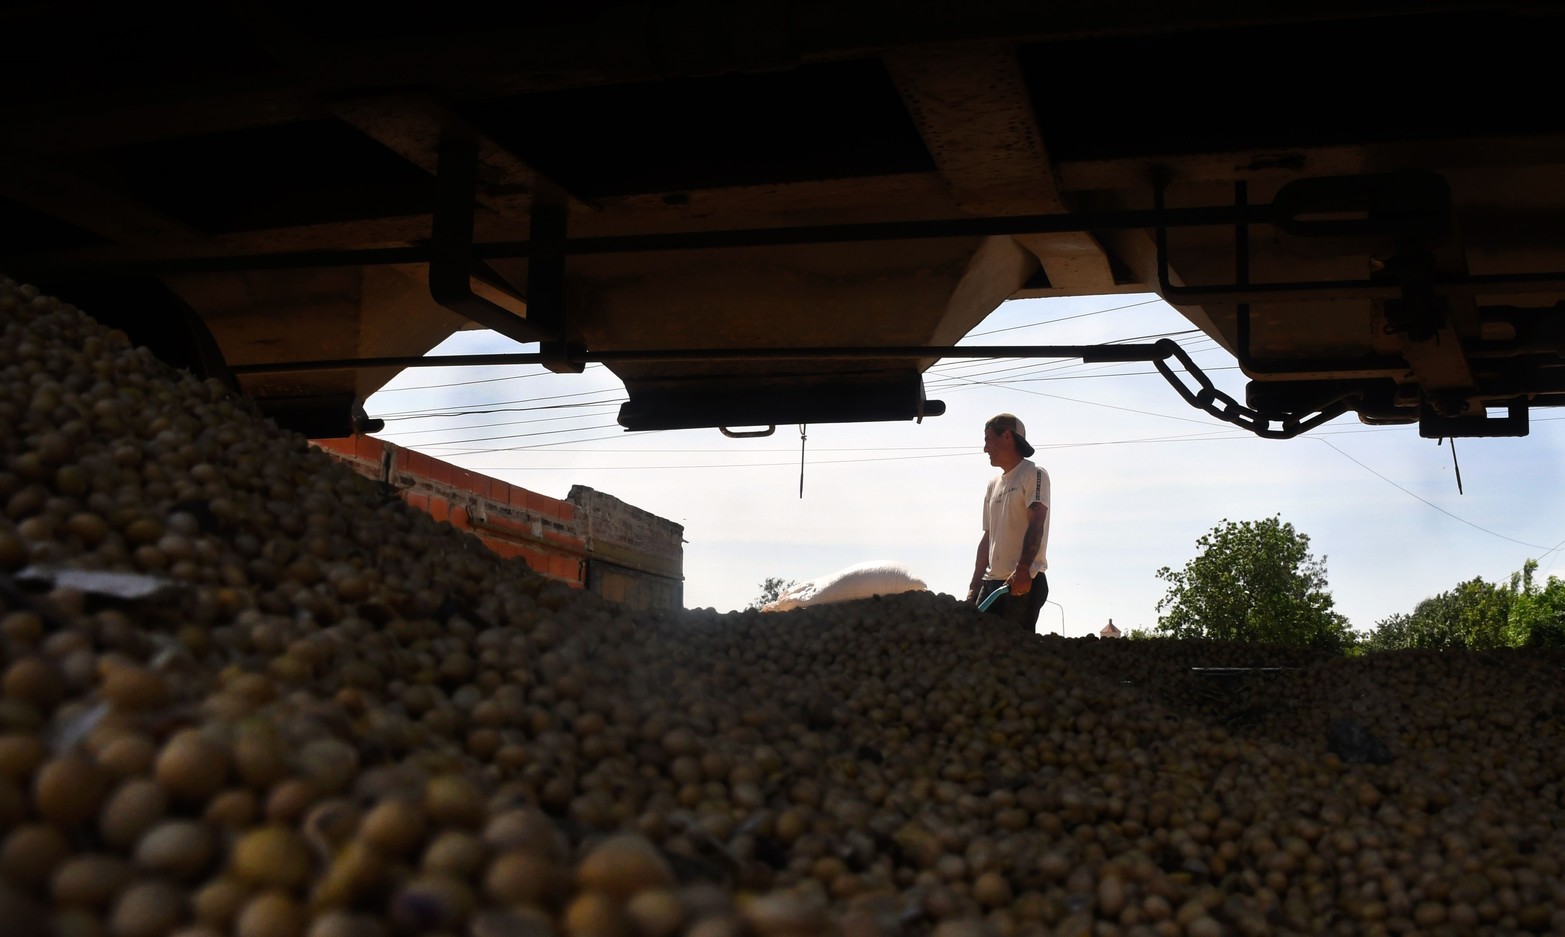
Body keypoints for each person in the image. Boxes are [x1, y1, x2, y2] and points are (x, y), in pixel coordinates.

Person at [967, 413, 1050, 632]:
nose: (985, 448)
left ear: (1006, 437)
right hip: (992, 583)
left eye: (988, 440)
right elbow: (988, 537)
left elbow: (1037, 523)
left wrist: (1023, 570)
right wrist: (974, 586)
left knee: (1013, 652)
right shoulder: (993, 485)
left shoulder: (1033, 474)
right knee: (979, 642)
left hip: (1022, 582)